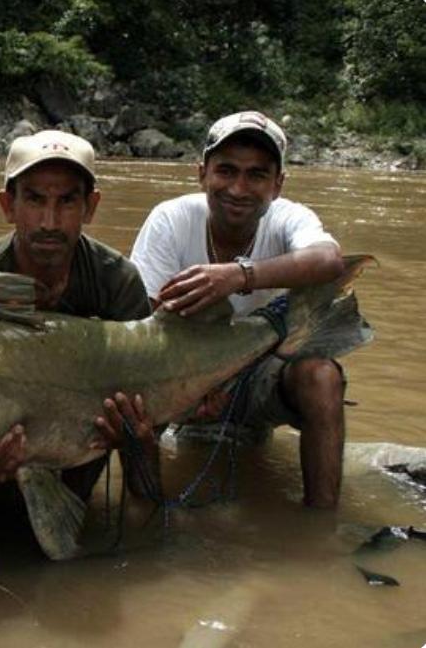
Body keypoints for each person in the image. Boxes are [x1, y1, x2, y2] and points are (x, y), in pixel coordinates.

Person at [0, 130, 159, 568]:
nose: (49, 221)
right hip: (0, 440)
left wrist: (138, 434)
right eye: (35, 200)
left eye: (66, 202)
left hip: (84, 432)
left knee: (142, 442)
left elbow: (151, 379)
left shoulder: (118, 282)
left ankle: (117, 526)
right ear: (8, 205)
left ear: (90, 207)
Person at [129, 110, 346, 509]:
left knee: (322, 377)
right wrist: (194, 386)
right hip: (181, 365)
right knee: (134, 393)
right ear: (202, 174)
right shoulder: (170, 219)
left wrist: (239, 276)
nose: (238, 188)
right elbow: (143, 323)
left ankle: (321, 524)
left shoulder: (288, 219)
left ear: (278, 184)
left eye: (256, 175)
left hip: (261, 369)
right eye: (226, 171)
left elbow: (330, 260)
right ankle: (145, 517)